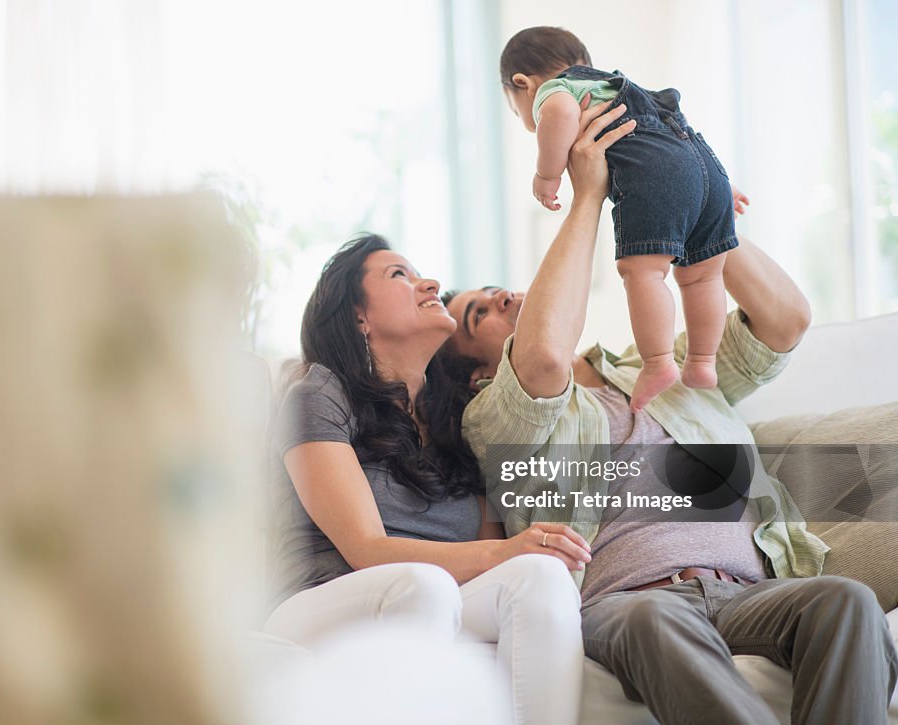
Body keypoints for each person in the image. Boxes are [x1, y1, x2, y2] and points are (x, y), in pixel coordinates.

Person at [439, 111, 898, 723]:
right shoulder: (497, 418)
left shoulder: (664, 369)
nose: (505, 296)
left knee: (846, 602)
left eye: (499, 288)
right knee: (655, 619)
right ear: (477, 373)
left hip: (747, 590)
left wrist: (694, 198)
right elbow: (545, 357)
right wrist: (589, 195)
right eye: (481, 313)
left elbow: (785, 321)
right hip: (630, 601)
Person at [262, 100, 637, 725]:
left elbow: (493, 545)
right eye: (400, 275)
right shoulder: (318, 394)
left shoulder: (457, 416)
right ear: (357, 315)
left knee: (542, 581)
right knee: (426, 585)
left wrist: (520, 555)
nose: (428, 282)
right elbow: (367, 550)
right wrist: (508, 551)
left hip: (441, 597)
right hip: (319, 601)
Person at [500, 25, 749, 411]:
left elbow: (560, 113)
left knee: (645, 273)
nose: (525, 115)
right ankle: (702, 361)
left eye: (515, 107)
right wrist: (716, 186)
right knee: (704, 275)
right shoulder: (619, 87)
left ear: (523, 84)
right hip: (702, 166)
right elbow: (679, 136)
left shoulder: (557, 90)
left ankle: (658, 363)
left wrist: (546, 175)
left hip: (659, 176)